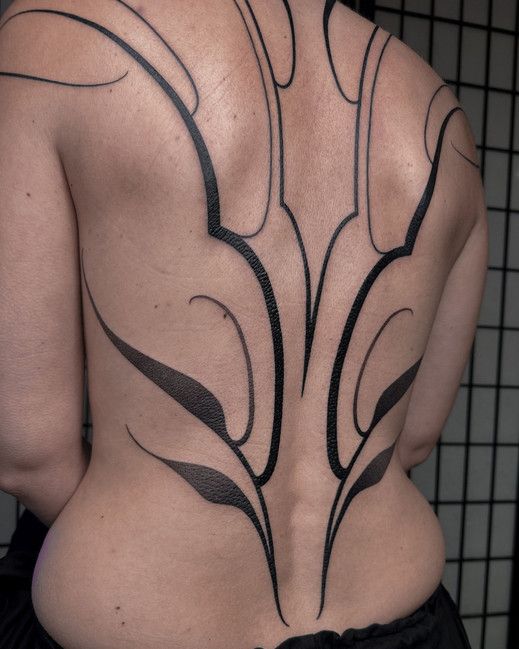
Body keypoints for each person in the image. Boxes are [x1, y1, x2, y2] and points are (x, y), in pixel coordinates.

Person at [0, 1, 487, 647]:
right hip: (404, 619)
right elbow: (414, 438)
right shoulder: (439, 111)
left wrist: (145, 542)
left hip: (142, 622)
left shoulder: (59, 32)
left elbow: (28, 455)